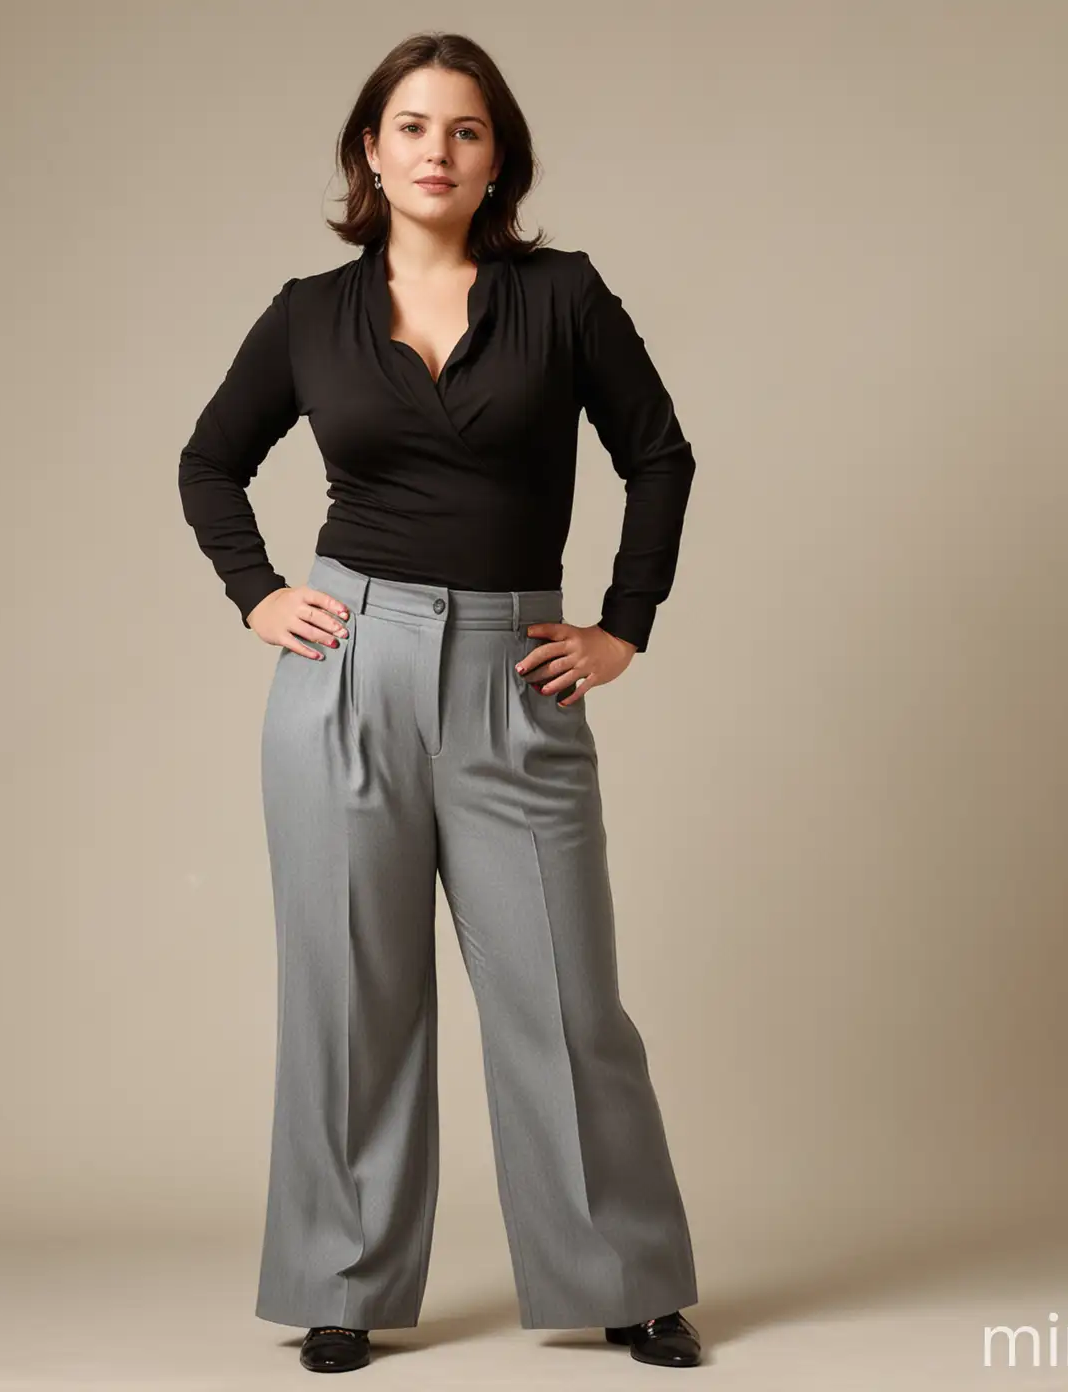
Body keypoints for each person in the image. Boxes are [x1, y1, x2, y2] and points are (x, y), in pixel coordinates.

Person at [176, 31, 704, 1375]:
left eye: (465, 131)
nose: (436, 151)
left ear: (497, 159)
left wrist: (623, 628)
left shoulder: (563, 296)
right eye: (412, 126)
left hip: (515, 673)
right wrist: (258, 595)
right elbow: (209, 464)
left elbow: (659, 452)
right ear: (371, 150)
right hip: (345, 676)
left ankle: (626, 1279)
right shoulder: (310, 314)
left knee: (565, 996)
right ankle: (340, 1285)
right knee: (351, 995)